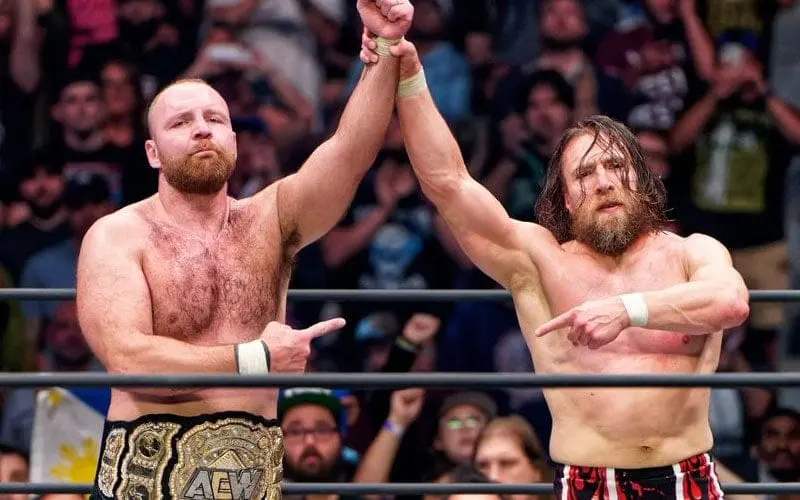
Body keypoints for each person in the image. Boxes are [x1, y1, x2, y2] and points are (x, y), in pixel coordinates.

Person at [359, 36, 750, 499]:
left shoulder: (693, 252)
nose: (603, 182)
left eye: (615, 166)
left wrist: (626, 310)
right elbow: (449, 183)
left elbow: (731, 302)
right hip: (588, 478)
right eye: (584, 174)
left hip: (686, 473)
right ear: (566, 198)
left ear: (641, 181)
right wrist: (410, 76)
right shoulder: (538, 260)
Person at [75, 2, 414, 499]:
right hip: (145, 478)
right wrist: (257, 358)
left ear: (233, 138)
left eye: (214, 118)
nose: (202, 128)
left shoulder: (270, 219)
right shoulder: (118, 234)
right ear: (152, 152)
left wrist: (384, 46)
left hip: (252, 475)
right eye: (180, 122)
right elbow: (129, 358)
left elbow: (349, 152)